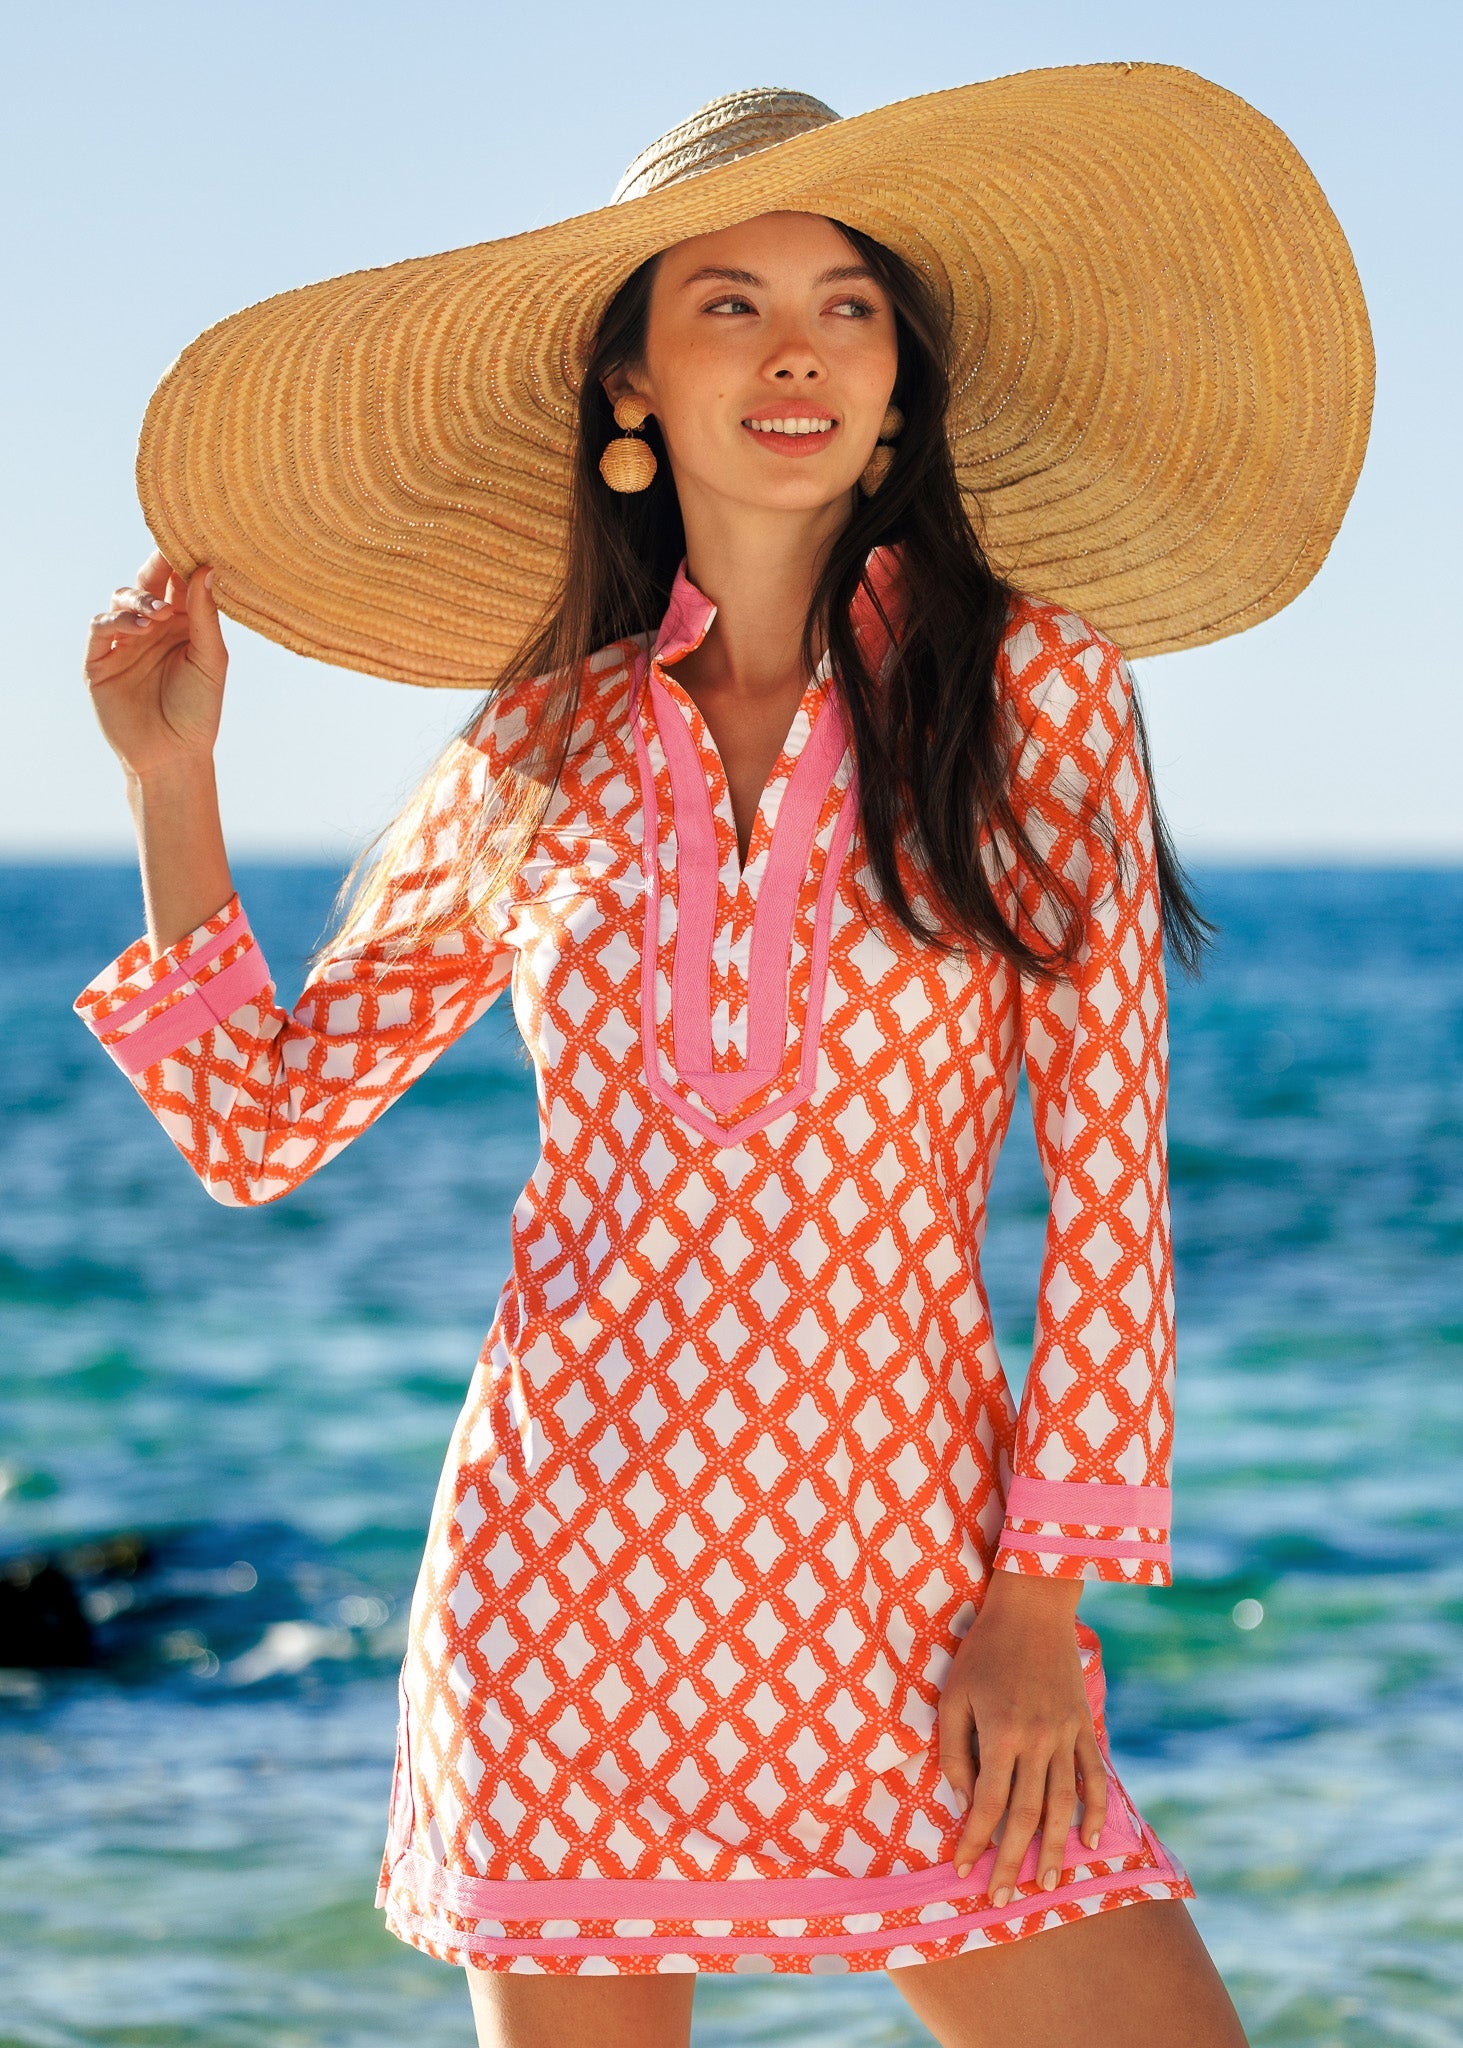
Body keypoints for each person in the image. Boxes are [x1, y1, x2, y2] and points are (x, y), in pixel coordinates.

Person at [75, 74, 1371, 2048]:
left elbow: (1116, 1189)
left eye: (847, 305)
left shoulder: (1035, 688)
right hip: (563, 1595)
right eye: (730, 305)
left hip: (913, 1600)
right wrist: (178, 781)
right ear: (631, 377)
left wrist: (1044, 1607)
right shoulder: (542, 748)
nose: (798, 354)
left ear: (901, 377)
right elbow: (260, 1124)